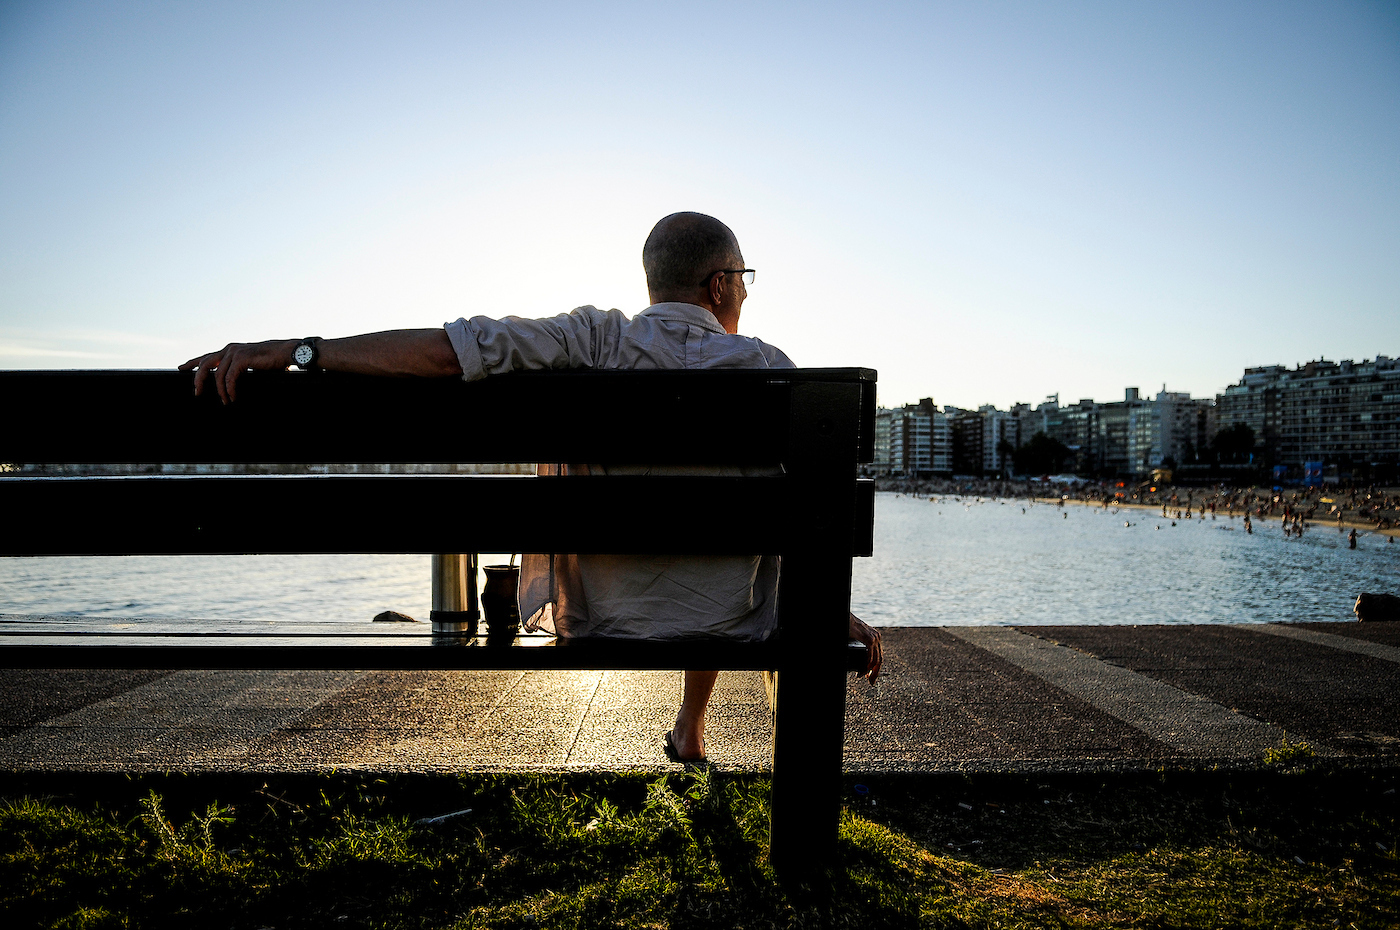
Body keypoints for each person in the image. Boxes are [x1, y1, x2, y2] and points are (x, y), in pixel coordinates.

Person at [181, 211, 883, 765]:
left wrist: (306, 353)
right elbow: (807, 519)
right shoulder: (772, 370)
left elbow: (449, 348)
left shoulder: (594, 339)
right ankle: (691, 729)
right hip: (732, 620)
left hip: (598, 617)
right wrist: (825, 611)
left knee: (683, 536)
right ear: (722, 284)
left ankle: (689, 729)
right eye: (745, 280)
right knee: (727, 544)